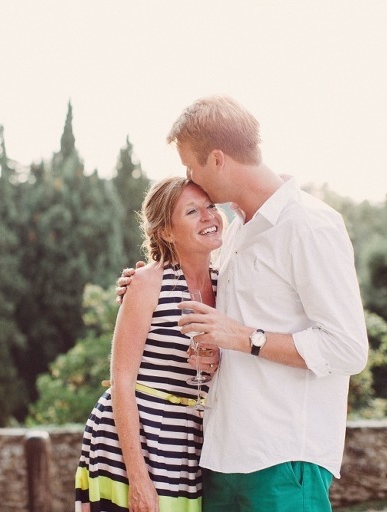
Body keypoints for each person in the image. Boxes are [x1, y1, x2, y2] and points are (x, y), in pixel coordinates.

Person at [118, 95, 369, 511]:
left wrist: (244, 338)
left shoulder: (309, 225)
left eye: (190, 166)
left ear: (217, 159)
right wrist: (146, 283)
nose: (188, 175)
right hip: (220, 459)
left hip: (283, 462)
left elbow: (347, 349)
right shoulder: (235, 231)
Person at [75, 176, 226, 512]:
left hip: (190, 442)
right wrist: (139, 479)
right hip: (131, 445)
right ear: (167, 232)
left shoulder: (229, 284)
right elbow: (121, 382)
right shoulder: (147, 283)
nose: (208, 216)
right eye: (192, 211)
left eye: (211, 206)